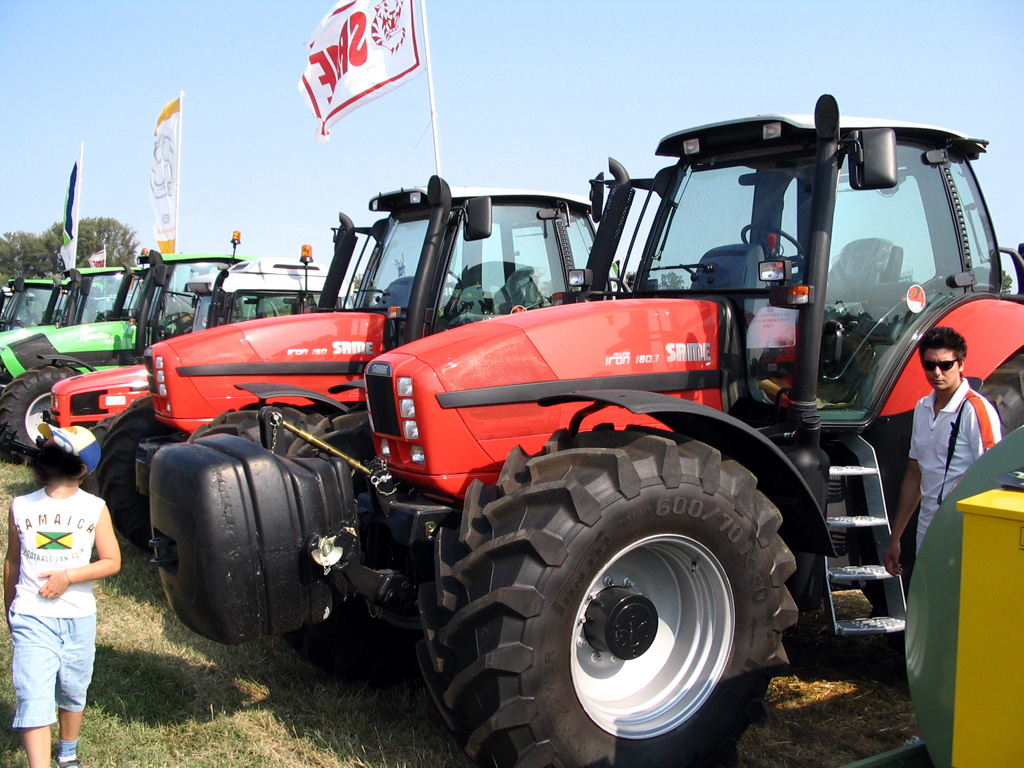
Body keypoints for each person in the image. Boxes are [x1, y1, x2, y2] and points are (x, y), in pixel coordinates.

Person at [4, 425, 121, 768]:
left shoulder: (95, 508)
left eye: (54, 451)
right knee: (33, 694)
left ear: (81, 470)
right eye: (46, 448)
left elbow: (112, 561)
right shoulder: (20, 506)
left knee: (72, 689)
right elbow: (12, 560)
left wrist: (68, 576)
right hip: (31, 616)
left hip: (77, 618)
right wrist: (10, 608)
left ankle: (67, 752)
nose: (44, 454)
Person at [884, 326, 1000, 578]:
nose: (937, 372)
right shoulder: (922, 408)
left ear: (961, 364)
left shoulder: (975, 410)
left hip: (963, 530)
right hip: (928, 528)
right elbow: (915, 474)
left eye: (946, 365)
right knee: (931, 601)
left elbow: (992, 475)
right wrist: (896, 536)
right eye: (929, 365)